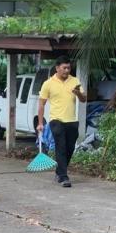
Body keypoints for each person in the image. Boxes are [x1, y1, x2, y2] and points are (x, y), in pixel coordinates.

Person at [35, 56, 86, 187]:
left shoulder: (75, 81)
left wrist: (78, 93)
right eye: (64, 68)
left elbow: (84, 99)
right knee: (61, 146)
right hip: (56, 120)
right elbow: (41, 104)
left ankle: (59, 171)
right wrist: (40, 123)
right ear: (57, 68)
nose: (67, 70)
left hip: (72, 121)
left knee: (70, 148)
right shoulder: (48, 83)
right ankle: (64, 177)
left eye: (69, 68)